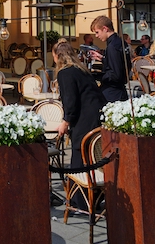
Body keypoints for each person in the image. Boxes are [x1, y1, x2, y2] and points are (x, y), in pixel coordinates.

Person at [54, 41, 107, 209]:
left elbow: (71, 100)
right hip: (96, 115)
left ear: (57, 56)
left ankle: (80, 200)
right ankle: (92, 197)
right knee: (91, 154)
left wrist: (66, 121)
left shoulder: (65, 73)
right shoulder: (81, 70)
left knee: (79, 153)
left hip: (84, 118)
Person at [89, 16, 130, 102]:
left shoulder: (112, 46)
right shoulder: (120, 42)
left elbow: (115, 75)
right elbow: (120, 63)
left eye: (97, 32)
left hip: (113, 93)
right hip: (120, 90)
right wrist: (103, 59)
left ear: (105, 29)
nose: (96, 36)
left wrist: (96, 76)